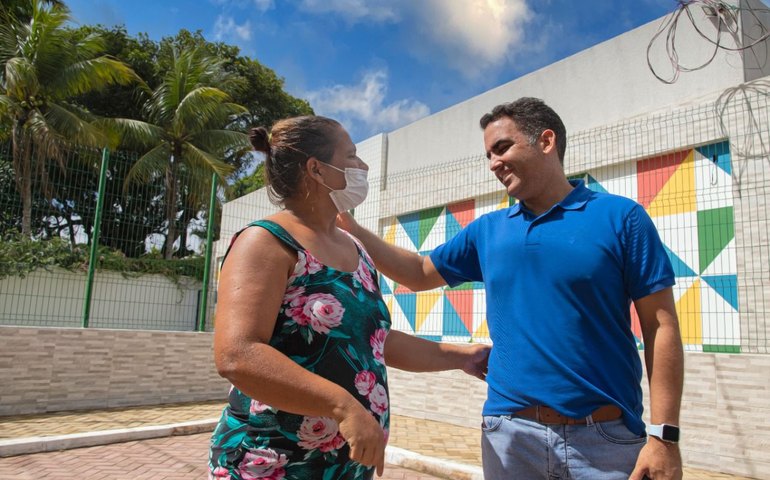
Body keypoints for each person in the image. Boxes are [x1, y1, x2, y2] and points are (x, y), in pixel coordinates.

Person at [337, 97, 685, 480]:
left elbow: (661, 326)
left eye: (502, 148)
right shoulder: (488, 230)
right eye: (488, 154)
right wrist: (351, 229)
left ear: (546, 141)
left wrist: (663, 437)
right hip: (510, 438)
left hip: (605, 441)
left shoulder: (621, 218)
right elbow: (419, 273)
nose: (493, 163)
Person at [208, 115, 490, 480]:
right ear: (317, 169)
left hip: (344, 464)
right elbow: (237, 354)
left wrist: (463, 356)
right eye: (352, 155)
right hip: (272, 460)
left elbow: (373, 340)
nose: (364, 166)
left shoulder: (356, 249)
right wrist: (343, 407)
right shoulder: (265, 242)